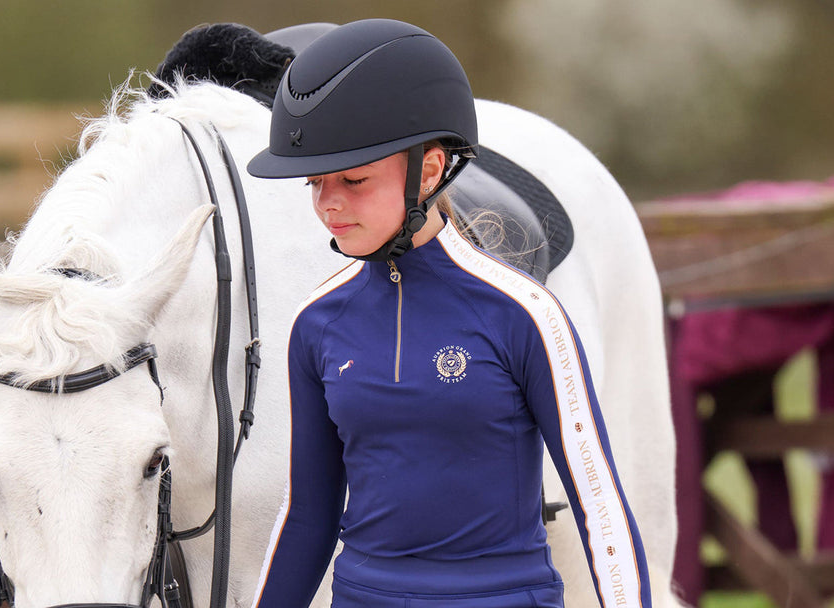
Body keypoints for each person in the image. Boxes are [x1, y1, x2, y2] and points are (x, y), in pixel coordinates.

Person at [246, 18, 651, 608]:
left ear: (429, 170)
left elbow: (600, 503)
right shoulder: (316, 324)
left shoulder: (524, 313)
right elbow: (307, 517)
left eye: (354, 180)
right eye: (315, 183)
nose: (329, 202)